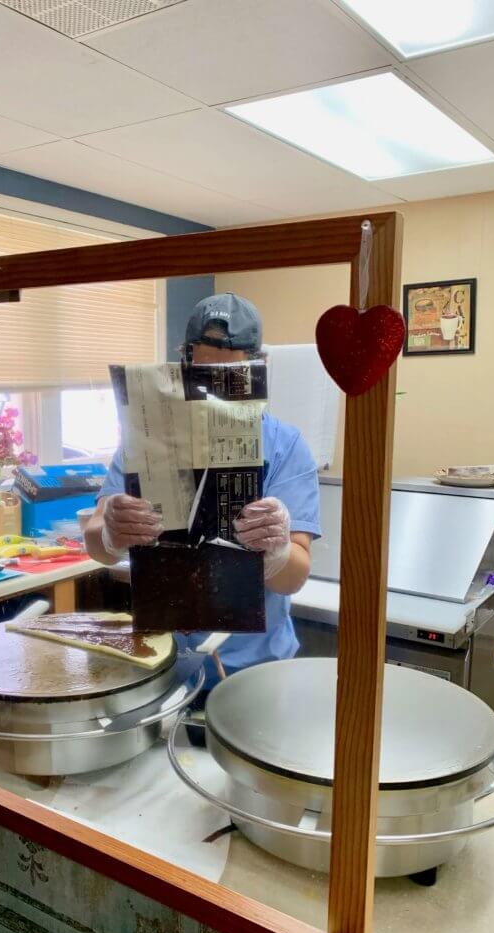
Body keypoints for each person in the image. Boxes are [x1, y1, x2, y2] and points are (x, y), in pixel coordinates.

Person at [84, 292, 321, 688]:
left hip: (254, 669)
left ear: (257, 367)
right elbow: (96, 544)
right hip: (164, 658)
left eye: (230, 378)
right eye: (203, 374)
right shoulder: (145, 440)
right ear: (184, 362)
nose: (213, 391)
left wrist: (276, 552)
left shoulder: (285, 445)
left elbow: (294, 576)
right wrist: (109, 532)